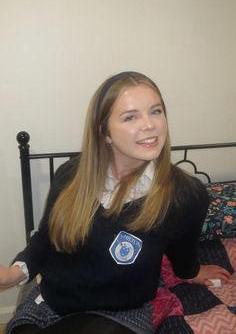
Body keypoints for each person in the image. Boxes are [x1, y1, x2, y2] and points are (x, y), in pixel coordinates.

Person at [0, 71, 232, 334]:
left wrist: (192, 272)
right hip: (52, 303)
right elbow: (46, 238)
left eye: (156, 111)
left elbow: (183, 257)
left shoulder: (185, 195)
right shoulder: (71, 175)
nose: (150, 125)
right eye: (131, 117)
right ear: (104, 133)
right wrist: (14, 274)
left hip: (122, 313)